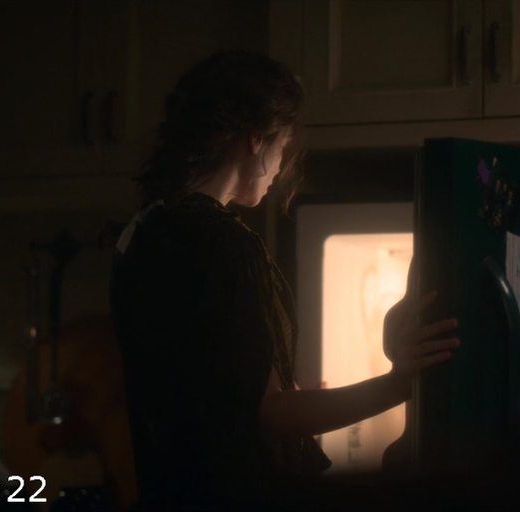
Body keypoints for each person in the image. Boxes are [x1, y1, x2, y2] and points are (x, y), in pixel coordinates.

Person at [109, 51, 459, 510]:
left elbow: (209, 393)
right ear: (257, 137)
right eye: (284, 145)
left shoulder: (143, 231)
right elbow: (265, 417)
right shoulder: (220, 241)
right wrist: (399, 383)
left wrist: (300, 400)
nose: (280, 167)